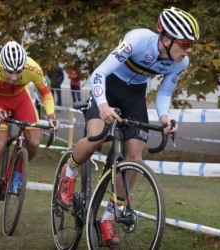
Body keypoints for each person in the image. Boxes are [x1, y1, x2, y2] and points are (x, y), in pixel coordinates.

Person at [57, 6, 199, 247]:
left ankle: (108, 219)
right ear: (166, 39)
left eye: (192, 45)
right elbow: (99, 73)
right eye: (185, 44)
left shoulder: (180, 63)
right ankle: (68, 173)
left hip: (134, 96)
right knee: (97, 137)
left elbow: (164, 92)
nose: (188, 50)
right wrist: (102, 104)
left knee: (135, 156)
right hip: (108, 87)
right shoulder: (137, 40)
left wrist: (164, 117)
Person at [0, 41, 60, 208]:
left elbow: (45, 92)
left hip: (21, 100)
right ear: (2, 66)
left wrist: (51, 116)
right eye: (9, 72)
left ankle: (17, 173)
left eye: (18, 72)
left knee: (35, 142)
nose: (14, 77)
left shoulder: (33, 68)